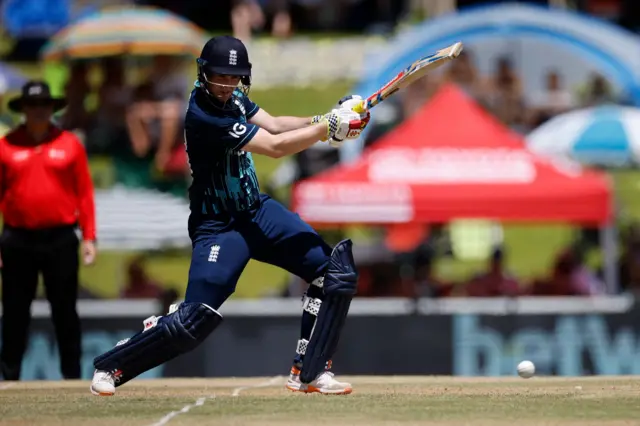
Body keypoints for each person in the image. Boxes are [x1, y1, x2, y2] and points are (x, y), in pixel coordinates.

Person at [90, 35, 370, 396]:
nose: (226, 84)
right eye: (219, 76)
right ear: (203, 73)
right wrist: (329, 129)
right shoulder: (203, 114)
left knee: (335, 273)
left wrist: (326, 118)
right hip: (219, 227)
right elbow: (275, 147)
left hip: (257, 211)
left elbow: (275, 125)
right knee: (194, 321)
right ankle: (111, 365)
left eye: (234, 77)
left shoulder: (234, 96)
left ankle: (311, 372)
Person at [0, 81, 97, 381]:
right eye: (33, 105)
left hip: (60, 238)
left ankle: (72, 378)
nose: (38, 111)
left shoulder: (69, 144)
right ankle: (9, 377)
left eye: (44, 105)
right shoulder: (6, 146)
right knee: (15, 312)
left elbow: (84, 193)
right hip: (18, 238)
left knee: (65, 311)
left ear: (52, 108)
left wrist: (89, 237)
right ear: (24, 109)